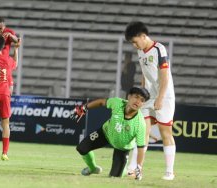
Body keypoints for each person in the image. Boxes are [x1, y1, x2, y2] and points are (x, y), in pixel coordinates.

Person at [124, 21, 176, 180]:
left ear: (143, 36)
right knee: (142, 130)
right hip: (148, 96)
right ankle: (134, 168)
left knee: (165, 132)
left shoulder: (159, 50)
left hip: (164, 95)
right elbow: (144, 74)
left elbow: (164, 76)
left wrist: (160, 97)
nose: (134, 45)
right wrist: (141, 93)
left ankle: (169, 172)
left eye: (134, 41)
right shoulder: (141, 51)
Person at [71, 87, 150, 180]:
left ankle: (124, 170)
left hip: (122, 147)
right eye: (136, 97)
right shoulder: (117, 103)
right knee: (81, 148)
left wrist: (139, 167)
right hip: (105, 133)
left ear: (143, 104)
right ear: (129, 97)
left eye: (142, 100)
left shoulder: (140, 123)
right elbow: (101, 102)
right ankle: (93, 168)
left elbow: (141, 148)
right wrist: (84, 107)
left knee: (114, 177)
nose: (138, 101)